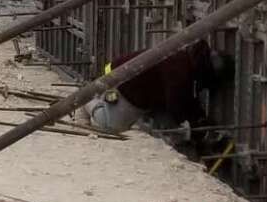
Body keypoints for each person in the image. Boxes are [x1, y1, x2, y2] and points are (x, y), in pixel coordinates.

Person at [84, 39, 233, 139]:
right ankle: (88, 101)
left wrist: (200, 119)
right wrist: (195, 126)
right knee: (113, 127)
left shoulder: (188, 63)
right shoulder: (180, 70)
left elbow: (188, 97)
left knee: (171, 121)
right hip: (124, 84)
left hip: (141, 88)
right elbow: (177, 103)